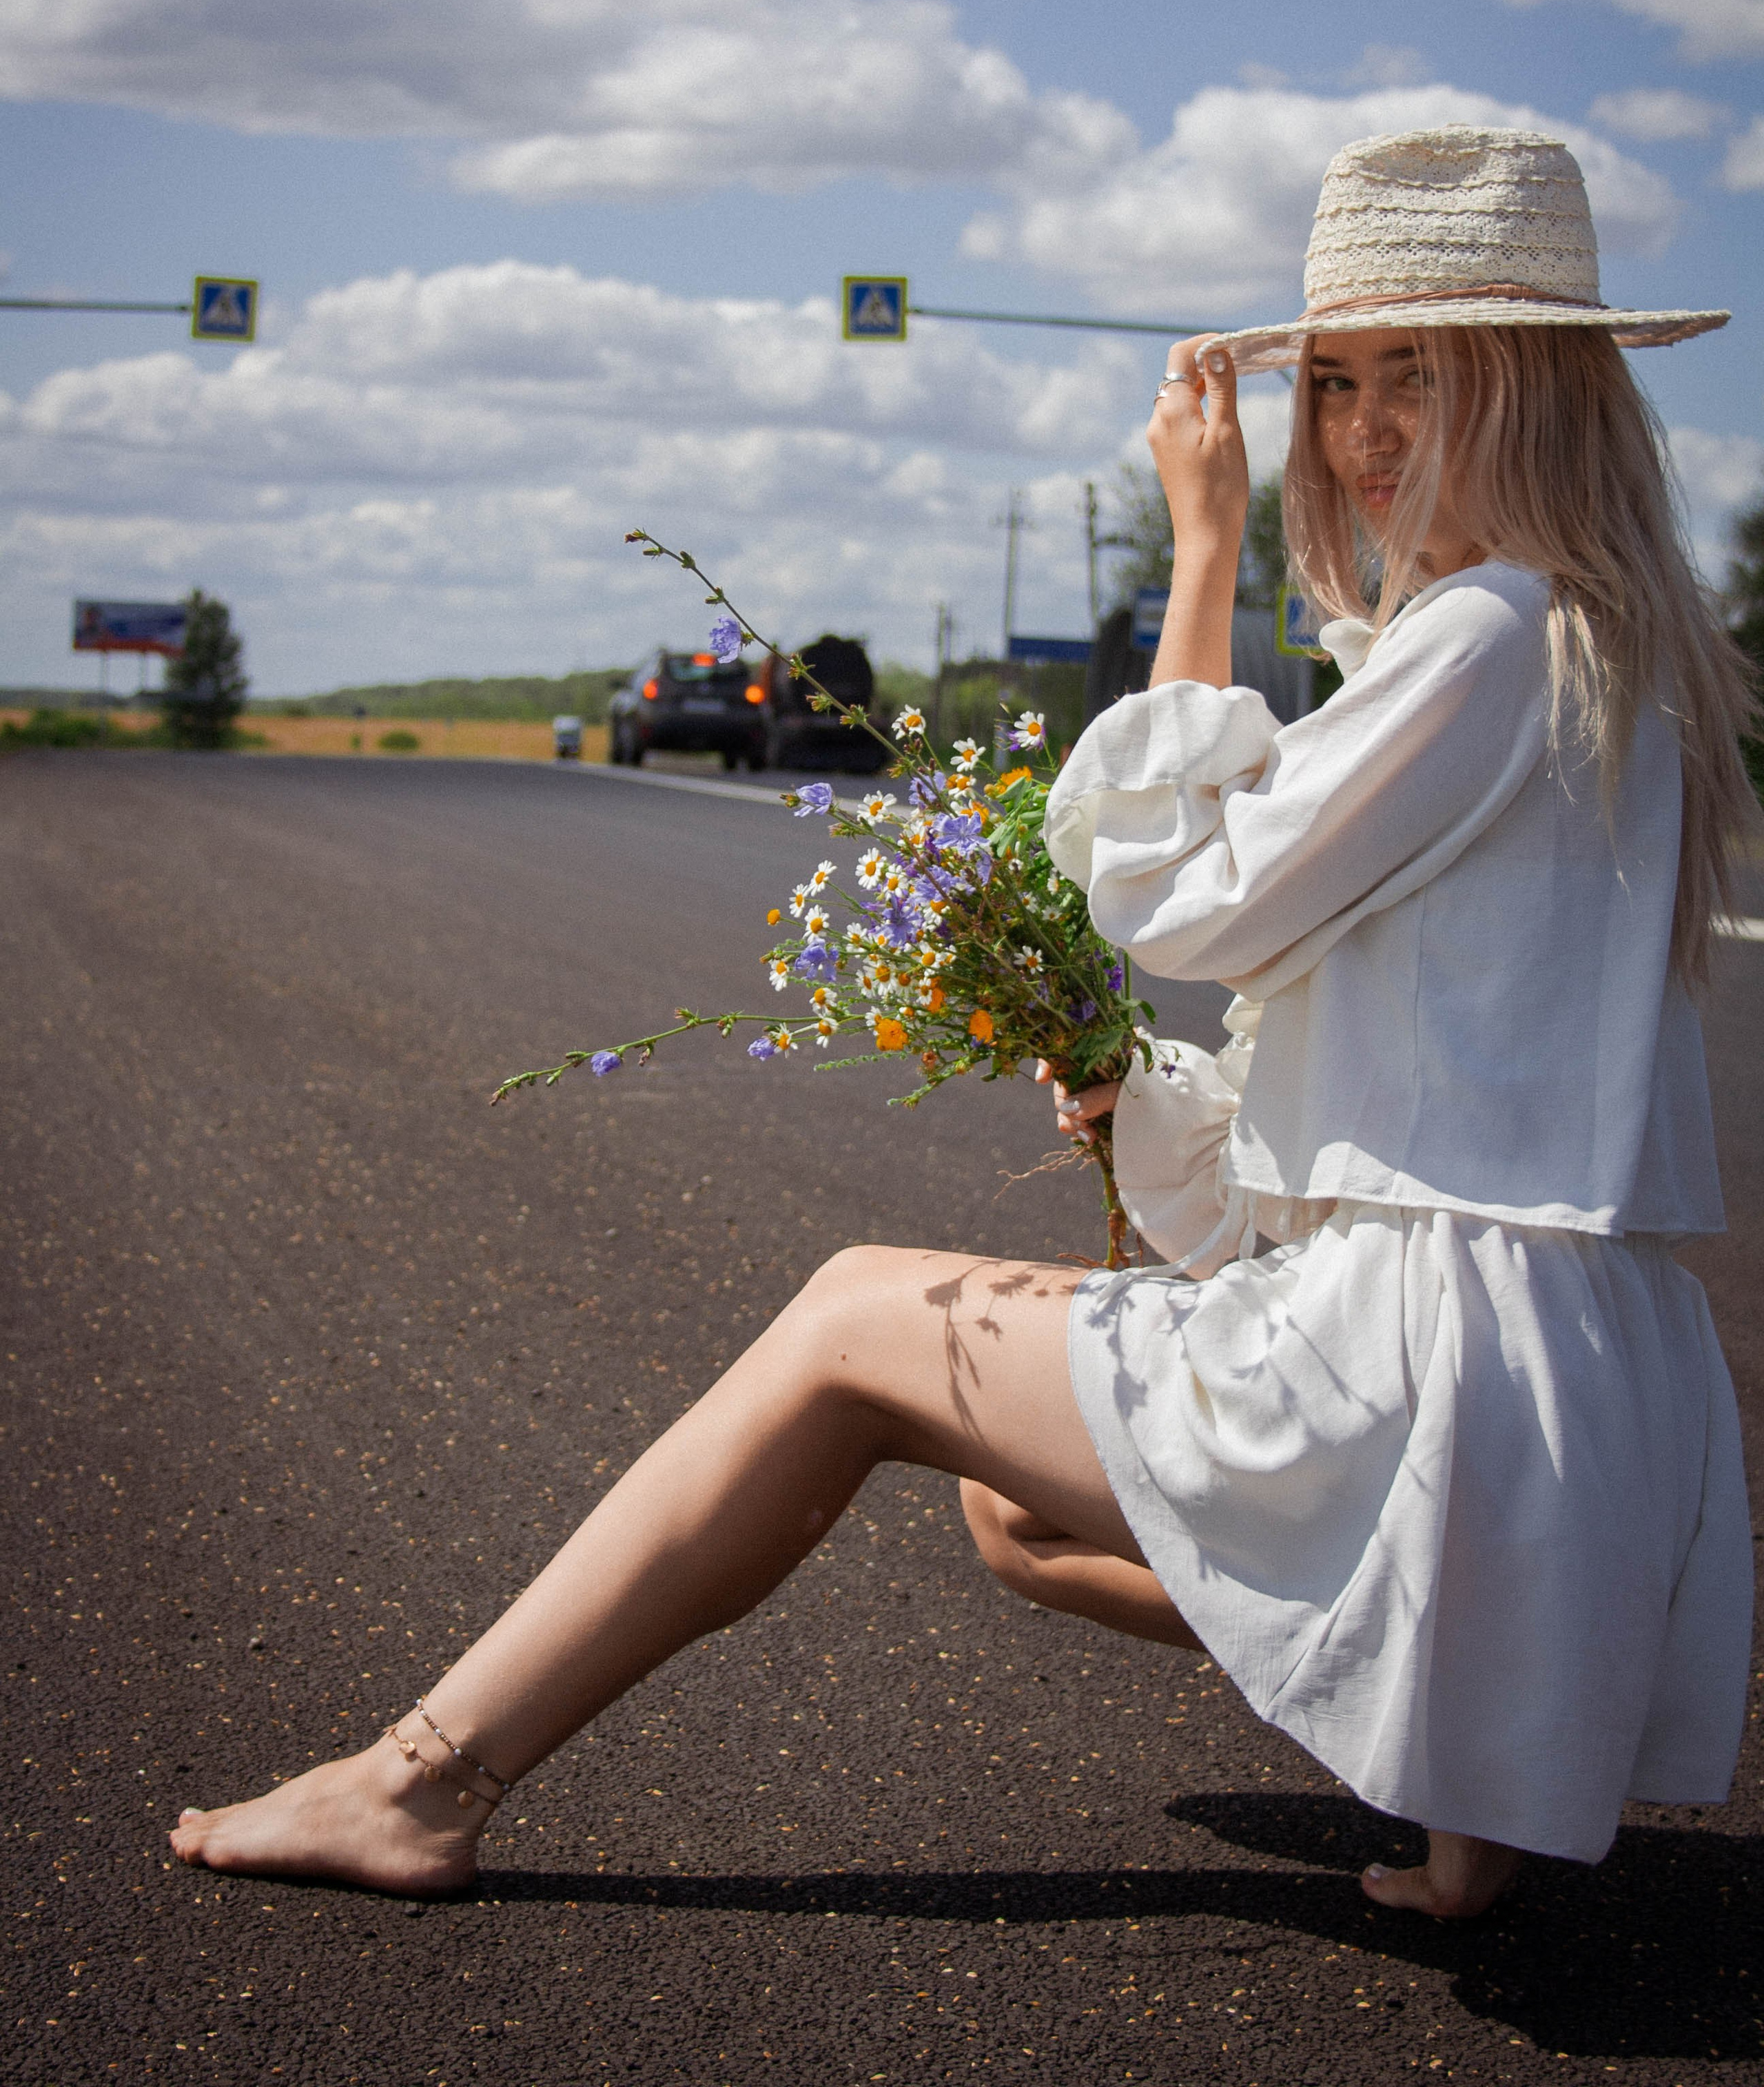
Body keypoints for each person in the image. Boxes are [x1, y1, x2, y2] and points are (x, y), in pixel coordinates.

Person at [170, 127, 1756, 1922]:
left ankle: (415, 1781)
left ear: (1542, 392)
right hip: (1556, 1376)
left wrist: (1204, 550)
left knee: (855, 1318)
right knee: (1016, 1520)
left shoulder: (1481, 637)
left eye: (1421, 376)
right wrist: (1138, 1088)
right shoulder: (1604, 646)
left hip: (1418, 1363)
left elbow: (1169, 892)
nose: (1365, 429)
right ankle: (1474, 1791)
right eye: (1332, 381)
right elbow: (1443, 1083)